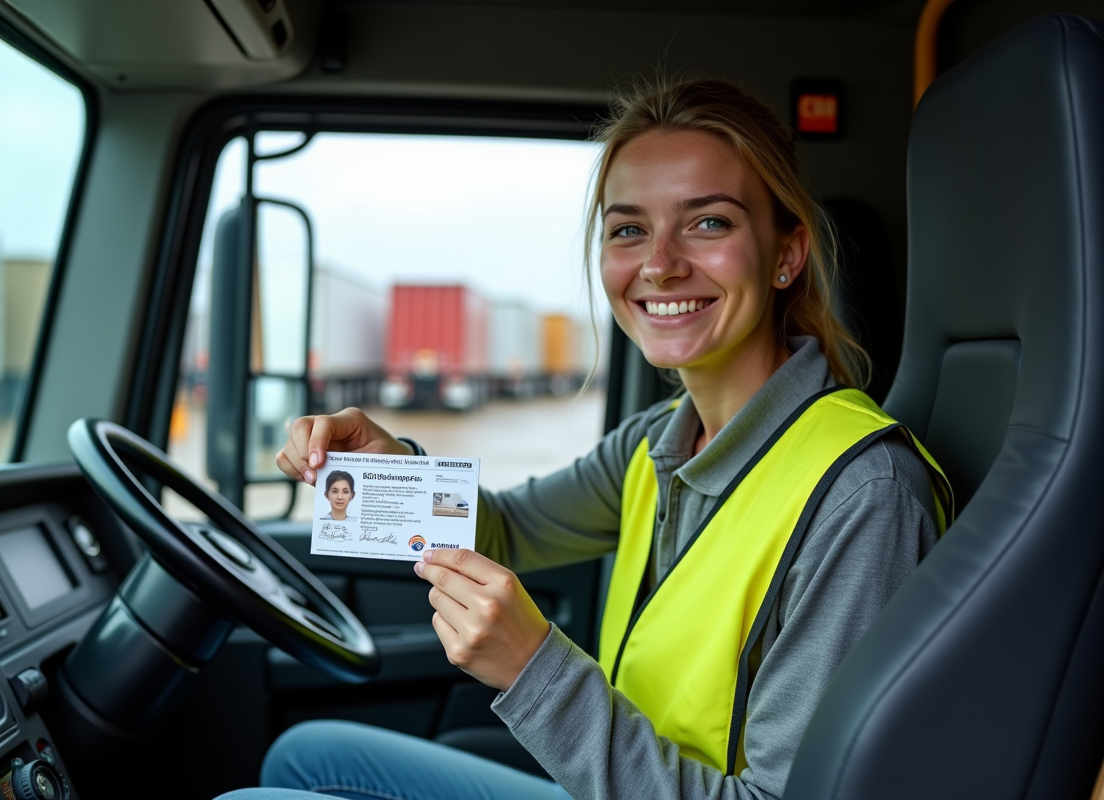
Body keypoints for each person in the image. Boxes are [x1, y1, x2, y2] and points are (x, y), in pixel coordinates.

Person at [218, 78, 951, 800]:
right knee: (308, 756)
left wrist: (533, 669)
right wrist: (391, 470)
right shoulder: (655, 445)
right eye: (629, 228)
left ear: (786, 254)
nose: (659, 263)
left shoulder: (862, 493)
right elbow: (505, 530)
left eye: (709, 223)